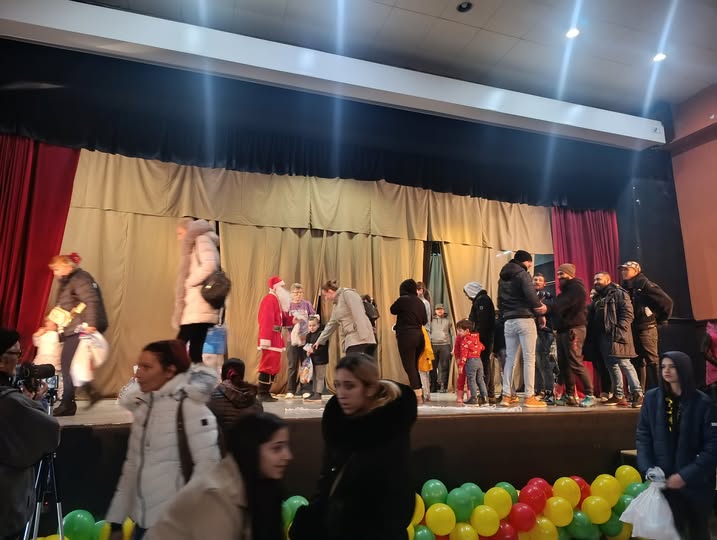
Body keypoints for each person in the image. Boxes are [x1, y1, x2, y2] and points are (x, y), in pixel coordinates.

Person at [289, 354, 417, 540]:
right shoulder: (338, 427)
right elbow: (327, 481)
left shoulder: (389, 429)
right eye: (338, 385)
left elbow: (399, 499)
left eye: (349, 386)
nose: (341, 393)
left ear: (369, 388)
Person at [106, 340, 220, 540]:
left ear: (169, 371)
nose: (138, 374)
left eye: (146, 367)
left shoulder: (191, 408)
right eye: (139, 366)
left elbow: (208, 470)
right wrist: (117, 521)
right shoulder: (144, 410)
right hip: (143, 525)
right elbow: (132, 468)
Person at [146, 412, 292, 540]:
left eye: (286, 447)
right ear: (250, 449)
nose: (288, 456)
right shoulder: (214, 496)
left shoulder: (260, 486)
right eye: (277, 448)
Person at [636, 351, 717, 540]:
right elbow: (643, 437)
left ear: (684, 369)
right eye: (663, 366)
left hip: (696, 484)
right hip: (664, 482)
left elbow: (712, 446)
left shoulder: (703, 403)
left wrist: (685, 476)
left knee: (697, 531)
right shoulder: (652, 399)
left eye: (672, 366)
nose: (666, 370)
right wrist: (648, 468)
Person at [0, 329, 61, 540]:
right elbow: (50, 434)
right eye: (16, 354)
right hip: (7, 507)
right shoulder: (11, 401)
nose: (19, 360)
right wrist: (35, 404)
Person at [47, 252, 109, 417]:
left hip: (80, 327)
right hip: (74, 327)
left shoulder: (80, 278)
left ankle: (68, 403)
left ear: (67, 266)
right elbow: (66, 305)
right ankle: (90, 393)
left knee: (68, 364)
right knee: (73, 365)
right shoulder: (68, 281)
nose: (54, 273)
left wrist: (91, 324)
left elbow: (91, 300)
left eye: (56, 269)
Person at [497, 250, 547, 408]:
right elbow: (531, 295)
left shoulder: (502, 277)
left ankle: (506, 396)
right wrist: (540, 309)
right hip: (525, 319)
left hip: (508, 320)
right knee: (529, 358)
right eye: (530, 263)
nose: (530, 266)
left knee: (510, 359)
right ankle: (529, 396)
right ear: (526, 261)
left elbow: (499, 301)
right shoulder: (523, 274)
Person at [587, 272, 644, 408]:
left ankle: (638, 393)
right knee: (611, 365)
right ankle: (618, 395)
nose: (596, 282)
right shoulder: (598, 297)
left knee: (624, 363)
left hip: (617, 334)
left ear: (608, 280)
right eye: (594, 279)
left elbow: (628, 314)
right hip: (602, 336)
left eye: (599, 279)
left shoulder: (618, 293)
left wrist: (619, 330)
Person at [545, 264, 597, 408]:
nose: (559, 277)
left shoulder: (576, 288)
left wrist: (547, 307)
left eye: (562, 274)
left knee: (575, 362)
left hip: (574, 329)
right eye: (558, 274)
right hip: (563, 330)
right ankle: (569, 396)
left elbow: (562, 304)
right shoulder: (565, 292)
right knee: (564, 365)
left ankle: (590, 394)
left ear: (570, 274)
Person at [173, 218, 221, 364]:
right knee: (194, 350)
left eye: (180, 233)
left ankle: (177, 376)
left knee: (179, 347)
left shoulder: (201, 239)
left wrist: (189, 281)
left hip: (198, 306)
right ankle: (197, 378)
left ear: (188, 230)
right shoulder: (197, 242)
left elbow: (210, 266)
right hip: (197, 307)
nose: (179, 238)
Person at [620, 261, 673, 391]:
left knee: (652, 361)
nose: (623, 272)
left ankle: (659, 391)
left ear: (636, 271)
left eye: (627, 269)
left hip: (646, 328)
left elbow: (667, 302)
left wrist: (660, 319)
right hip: (632, 329)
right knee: (637, 361)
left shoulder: (645, 285)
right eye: (622, 270)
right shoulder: (624, 288)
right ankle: (640, 393)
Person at [310, 280, 376, 358]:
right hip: (352, 341)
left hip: (361, 340)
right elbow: (331, 325)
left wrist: (364, 336)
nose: (326, 298)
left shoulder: (348, 294)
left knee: (358, 364)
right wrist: (319, 341)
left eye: (325, 295)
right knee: (353, 365)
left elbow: (359, 313)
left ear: (330, 291)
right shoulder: (336, 305)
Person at [390, 279, 428, 403]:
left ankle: (417, 395)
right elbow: (424, 320)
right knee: (414, 366)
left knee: (409, 367)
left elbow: (392, 309)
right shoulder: (420, 302)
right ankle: (420, 391)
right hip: (419, 336)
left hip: (406, 336)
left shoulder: (402, 300)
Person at [257, 276, 292, 403]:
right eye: (281, 287)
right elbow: (266, 320)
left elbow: (281, 320)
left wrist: (293, 320)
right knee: (268, 366)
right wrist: (265, 339)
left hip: (276, 338)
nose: (283, 289)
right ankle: (262, 393)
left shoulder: (276, 300)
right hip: (270, 338)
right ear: (276, 288)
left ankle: (266, 392)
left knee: (274, 367)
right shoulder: (269, 299)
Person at [208, 358, 263, 437]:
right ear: (242, 375)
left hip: (223, 443)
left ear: (222, 375)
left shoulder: (212, 398)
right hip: (249, 443)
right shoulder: (256, 401)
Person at [466, 281, 496, 403]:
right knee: (485, 365)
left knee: (483, 366)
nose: (467, 296)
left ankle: (485, 395)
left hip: (483, 339)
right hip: (483, 338)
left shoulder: (482, 300)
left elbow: (482, 322)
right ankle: (489, 393)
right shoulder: (480, 300)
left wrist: (476, 338)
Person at [285, 283, 316, 399]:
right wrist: (293, 324)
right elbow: (285, 322)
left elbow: (313, 318)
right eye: (296, 293)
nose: (298, 295)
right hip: (292, 339)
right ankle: (290, 390)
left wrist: (308, 332)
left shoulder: (307, 304)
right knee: (292, 365)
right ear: (291, 294)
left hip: (305, 339)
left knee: (305, 364)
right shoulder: (288, 305)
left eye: (300, 292)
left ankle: (305, 389)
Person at [532, 273, 556, 398]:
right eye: (535, 279)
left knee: (543, 360)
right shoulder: (529, 296)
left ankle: (549, 390)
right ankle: (539, 389)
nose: (537, 282)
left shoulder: (549, 296)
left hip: (545, 332)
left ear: (544, 283)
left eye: (540, 280)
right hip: (532, 331)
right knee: (535, 361)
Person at [455, 319, 487, 405]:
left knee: (471, 380)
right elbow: (482, 347)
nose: (458, 332)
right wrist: (475, 349)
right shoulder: (476, 338)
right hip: (479, 361)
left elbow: (464, 354)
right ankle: (485, 398)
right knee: (480, 380)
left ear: (467, 331)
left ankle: (473, 398)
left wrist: (461, 365)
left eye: (460, 330)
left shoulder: (465, 341)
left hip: (470, 362)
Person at [32, 317, 63, 398]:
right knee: (40, 378)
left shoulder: (58, 334)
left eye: (49, 321)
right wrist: (37, 334)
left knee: (54, 379)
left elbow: (62, 343)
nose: (47, 323)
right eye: (46, 321)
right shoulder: (43, 333)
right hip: (41, 359)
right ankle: (41, 394)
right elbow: (36, 343)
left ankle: (57, 395)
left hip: (53, 360)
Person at [304, 316, 329, 401]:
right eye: (310, 325)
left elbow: (324, 347)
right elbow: (307, 345)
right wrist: (307, 351)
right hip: (312, 360)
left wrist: (314, 351)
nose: (312, 327)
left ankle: (318, 393)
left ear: (318, 325)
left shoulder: (322, 335)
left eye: (314, 325)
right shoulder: (308, 335)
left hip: (321, 359)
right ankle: (314, 392)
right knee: (314, 376)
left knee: (319, 377)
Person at [430, 303, 452, 393]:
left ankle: (443, 385)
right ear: (435, 311)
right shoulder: (431, 320)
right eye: (438, 309)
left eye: (441, 309)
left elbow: (453, 333)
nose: (439, 311)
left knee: (444, 366)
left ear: (444, 310)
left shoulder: (448, 320)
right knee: (432, 367)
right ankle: (433, 386)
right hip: (433, 345)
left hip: (445, 345)